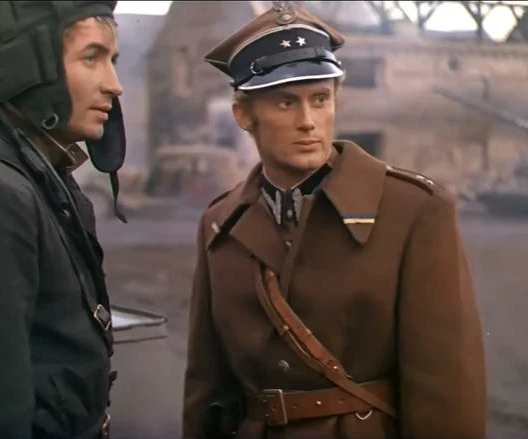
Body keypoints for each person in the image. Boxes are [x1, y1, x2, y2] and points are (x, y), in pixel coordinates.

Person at [182, 3, 487, 439]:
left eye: (320, 99)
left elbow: (446, 392)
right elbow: (206, 388)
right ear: (244, 115)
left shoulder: (414, 210)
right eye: (286, 102)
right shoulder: (220, 224)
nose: (308, 122)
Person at [0, 2, 127, 438]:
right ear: (28, 69)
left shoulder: (40, 173)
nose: (114, 85)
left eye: (111, 60)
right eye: (91, 58)